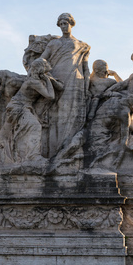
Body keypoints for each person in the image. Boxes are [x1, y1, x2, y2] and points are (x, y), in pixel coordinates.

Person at [40, 13, 91, 157]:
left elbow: (86, 68)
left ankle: (70, 150)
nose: (63, 26)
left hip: (75, 80)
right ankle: (55, 151)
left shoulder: (82, 45)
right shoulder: (53, 43)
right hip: (56, 79)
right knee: (56, 115)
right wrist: (45, 74)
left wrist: (87, 86)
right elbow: (42, 60)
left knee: (73, 115)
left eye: (66, 23)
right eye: (61, 24)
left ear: (71, 24)